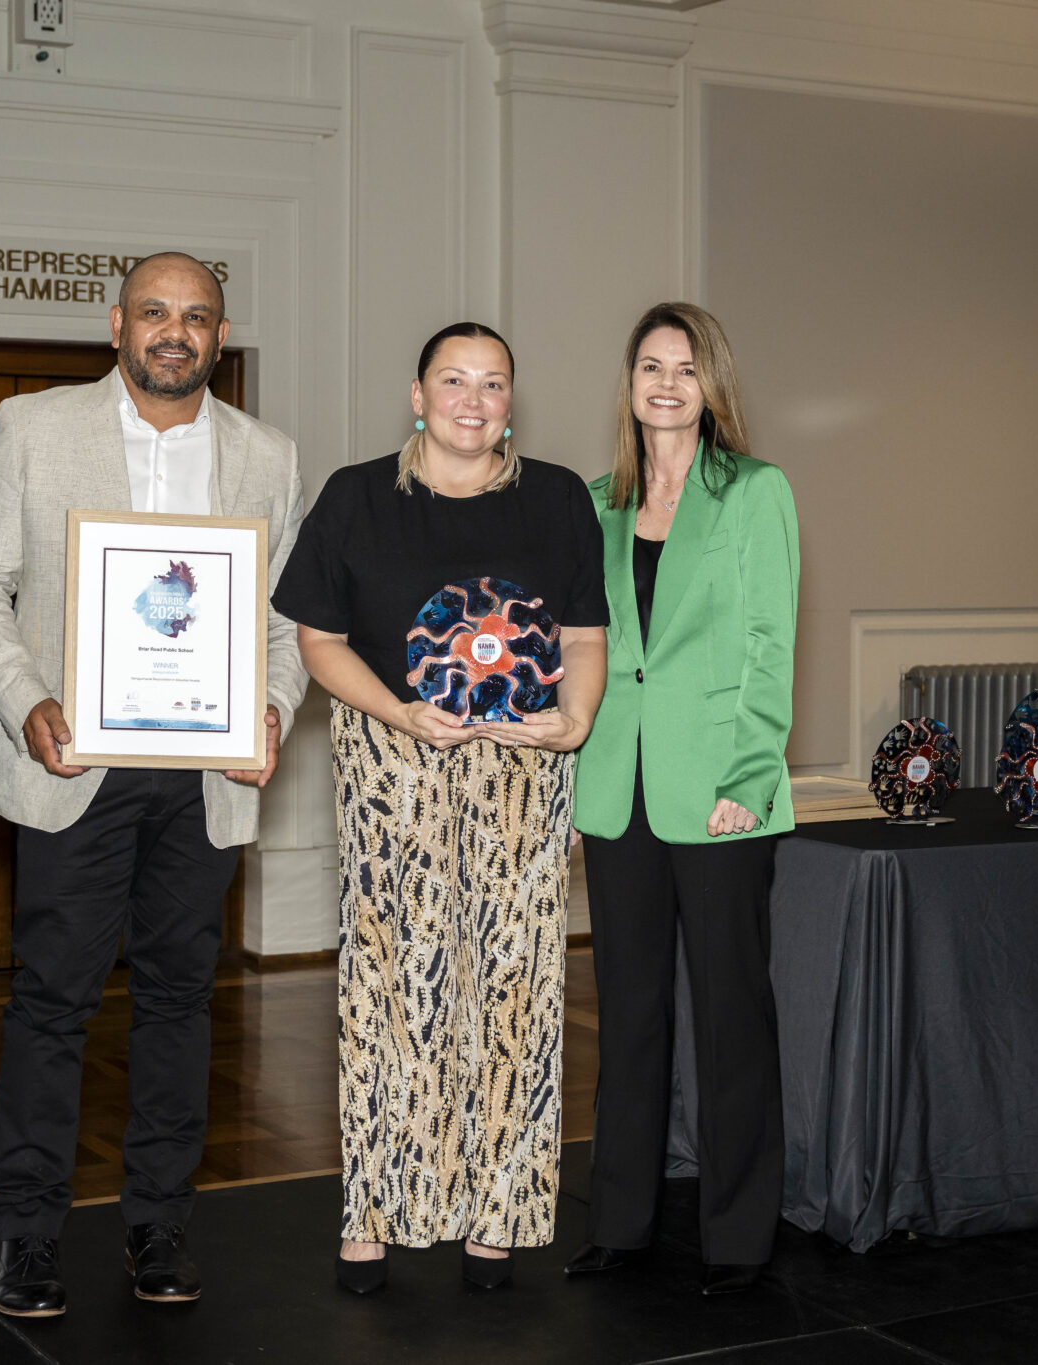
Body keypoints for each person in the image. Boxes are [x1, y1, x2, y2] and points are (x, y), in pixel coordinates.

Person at [0, 251, 306, 1317]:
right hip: (75, 764)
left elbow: (283, 623)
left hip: (204, 777)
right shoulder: (33, 427)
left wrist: (271, 710)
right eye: (154, 312)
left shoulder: (267, 455)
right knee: (52, 1001)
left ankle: (159, 1224)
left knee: (179, 1003)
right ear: (116, 325)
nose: (173, 332)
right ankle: (27, 1235)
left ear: (219, 336)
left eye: (195, 317)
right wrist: (26, 701)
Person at [272, 322, 608, 1295]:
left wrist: (576, 720)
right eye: (453, 381)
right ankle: (377, 1213)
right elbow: (319, 640)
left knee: (514, 988)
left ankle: (497, 1218)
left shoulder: (555, 497)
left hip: (520, 768)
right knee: (392, 985)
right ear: (417, 396)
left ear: (510, 400)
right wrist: (400, 712)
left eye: (492, 383)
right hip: (391, 761)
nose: (473, 399)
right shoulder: (355, 496)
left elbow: (584, 636)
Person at [566, 301, 799, 1296]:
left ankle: (738, 1235)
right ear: (628, 383)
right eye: (650, 366)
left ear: (712, 386)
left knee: (730, 1012)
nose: (666, 383)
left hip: (717, 793)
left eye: (685, 367)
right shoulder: (595, 502)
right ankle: (620, 1221)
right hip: (614, 788)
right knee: (628, 1012)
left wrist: (749, 776)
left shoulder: (753, 491)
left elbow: (769, 646)